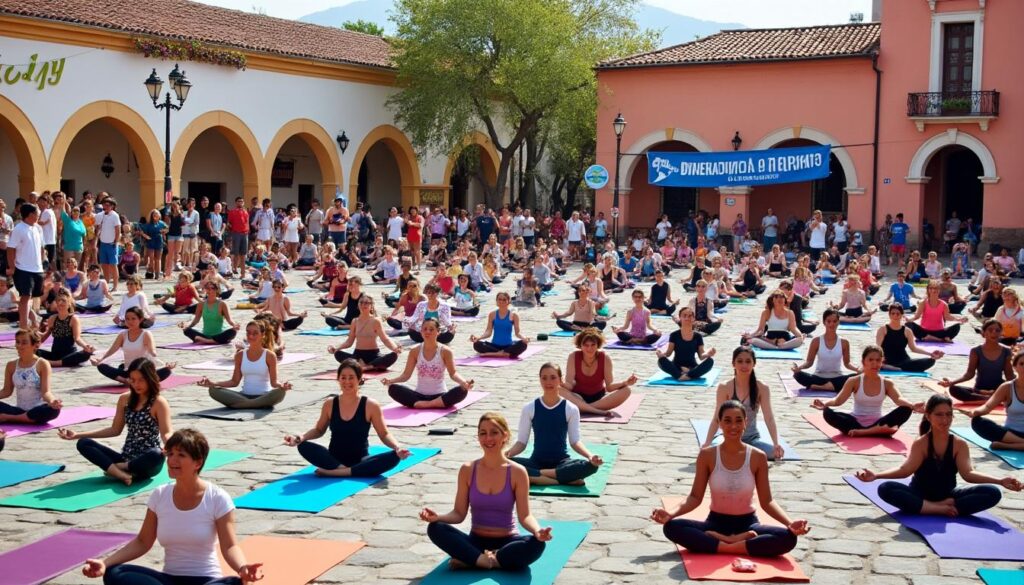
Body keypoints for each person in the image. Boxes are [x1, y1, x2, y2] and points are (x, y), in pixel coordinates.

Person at [81, 429, 261, 584]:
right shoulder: (160, 495)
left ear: (197, 463)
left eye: (181, 455)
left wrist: (242, 567)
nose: (172, 460)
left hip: (206, 580)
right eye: (171, 454)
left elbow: (229, 546)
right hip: (169, 580)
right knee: (116, 574)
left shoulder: (217, 498)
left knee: (236, 583)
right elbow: (143, 542)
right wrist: (105, 563)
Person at [652, 399, 809, 557]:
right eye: (727, 421)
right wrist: (670, 514)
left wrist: (789, 523)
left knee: (788, 538)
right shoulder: (708, 455)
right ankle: (737, 544)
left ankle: (721, 544)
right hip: (715, 524)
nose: (733, 426)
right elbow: (694, 497)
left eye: (738, 421)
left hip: (748, 524)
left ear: (745, 423)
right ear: (719, 423)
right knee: (671, 527)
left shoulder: (757, 457)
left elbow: (767, 501)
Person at [420, 412, 550, 571]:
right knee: (436, 528)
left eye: (494, 432)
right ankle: (485, 560)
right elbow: (459, 513)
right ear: (478, 437)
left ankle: (479, 560)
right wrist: (437, 517)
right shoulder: (468, 469)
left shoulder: (518, 472)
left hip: (507, 542)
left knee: (537, 544)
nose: (488, 438)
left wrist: (538, 531)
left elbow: (525, 516)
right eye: (483, 433)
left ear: (505, 436)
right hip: (475, 542)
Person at [856, 395, 1021, 516]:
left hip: (948, 496)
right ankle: (937, 508)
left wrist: (1000, 481)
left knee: (992, 492)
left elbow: (968, 474)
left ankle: (934, 507)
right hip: (920, 495)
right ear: (928, 416)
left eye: (948, 414)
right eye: (939, 414)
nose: (945, 419)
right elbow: (905, 470)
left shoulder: (959, 444)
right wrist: (876, 475)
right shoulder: (921, 443)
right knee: (886, 488)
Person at [284, 359, 410, 477]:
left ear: (360, 379)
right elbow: (318, 430)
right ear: (338, 379)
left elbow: (384, 434)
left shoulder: (370, 405)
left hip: (361, 460)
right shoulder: (330, 403)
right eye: (343, 378)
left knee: (394, 457)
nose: (347, 382)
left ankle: (335, 473)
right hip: (333, 459)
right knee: (303, 446)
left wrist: (397, 447)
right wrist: (300, 438)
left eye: (351, 378)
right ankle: (342, 469)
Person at [60, 358, 172, 485]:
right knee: (83, 443)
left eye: (141, 380)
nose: (136, 384)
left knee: (157, 454)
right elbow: (115, 430)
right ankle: (122, 474)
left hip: (146, 462)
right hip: (125, 456)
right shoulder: (124, 399)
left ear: (150, 378)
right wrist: (78, 435)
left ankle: (118, 468)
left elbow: (166, 433)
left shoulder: (158, 402)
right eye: (133, 380)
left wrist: (172, 445)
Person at [506, 363, 602, 486]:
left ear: (560, 380)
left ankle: (538, 476)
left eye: (553, 377)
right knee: (504, 466)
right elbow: (521, 443)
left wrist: (590, 456)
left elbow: (575, 441)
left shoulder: (571, 409)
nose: (548, 382)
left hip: (561, 463)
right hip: (536, 461)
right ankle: (560, 479)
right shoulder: (530, 408)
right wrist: (506, 455)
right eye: (544, 378)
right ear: (540, 380)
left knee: (591, 467)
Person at [811, 345, 922, 436]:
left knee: (906, 410)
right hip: (856, 421)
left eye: (878, 360)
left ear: (882, 362)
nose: (874, 363)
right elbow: (838, 400)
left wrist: (912, 405)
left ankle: (865, 432)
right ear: (864, 362)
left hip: (878, 421)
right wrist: (825, 404)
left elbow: (898, 399)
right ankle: (880, 431)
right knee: (828, 413)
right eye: (871, 360)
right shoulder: (854, 381)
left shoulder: (887, 383)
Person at [704, 347, 785, 460]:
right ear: (733, 364)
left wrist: (776, 443)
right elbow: (717, 418)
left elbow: (769, 418)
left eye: (748, 361)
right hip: (726, 437)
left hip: (751, 439)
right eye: (740, 361)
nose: (744, 365)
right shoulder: (725, 387)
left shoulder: (762, 388)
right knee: (713, 452)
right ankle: (740, 453)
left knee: (775, 454)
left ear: (754, 364)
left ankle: (741, 452)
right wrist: (707, 442)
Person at [197, 320, 293, 409]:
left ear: (263, 335)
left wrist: (282, 386)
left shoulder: (269, 355)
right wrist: (213, 383)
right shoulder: (240, 355)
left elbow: (274, 382)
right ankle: (251, 404)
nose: (251, 336)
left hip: (265, 396)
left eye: (255, 333)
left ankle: (243, 405)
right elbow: (234, 381)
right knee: (213, 390)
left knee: (280, 393)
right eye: (248, 333)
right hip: (243, 396)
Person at [382, 318, 473, 409]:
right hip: (419, 395)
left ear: (438, 332)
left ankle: (426, 404)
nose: (427, 332)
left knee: (462, 390)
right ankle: (431, 404)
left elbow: (453, 374)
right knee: (393, 389)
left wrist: (464, 382)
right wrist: (391, 381)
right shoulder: (415, 351)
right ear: (421, 332)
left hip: (440, 396)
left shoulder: (445, 351)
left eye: (431, 329)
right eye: (424, 329)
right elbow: (406, 375)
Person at [561, 328, 637, 416]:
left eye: (593, 345)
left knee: (626, 390)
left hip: (599, 399)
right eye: (586, 345)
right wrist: (561, 383)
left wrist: (626, 382)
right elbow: (569, 385)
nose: (589, 348)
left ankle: (583, 408)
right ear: (580, 346)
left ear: (598, 345)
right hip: (578, 397)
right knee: (558, 390)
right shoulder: (573, 357)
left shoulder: (605, 358)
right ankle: (594, 410)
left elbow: (609, 387)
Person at [960, 351, 1024, 452]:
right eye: (1022, 364)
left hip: (1008, 441)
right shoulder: (1007, 387)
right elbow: (988, 406)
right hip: (1009, 434)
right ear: (1015, 367)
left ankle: (1008, 446)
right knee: (977, 422)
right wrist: (976, 412)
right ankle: (1020, 443)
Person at [92, 307, 176, 383]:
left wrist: (162, 361)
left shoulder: (146, 334)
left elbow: (152, 351)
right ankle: (127, 381)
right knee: (101, 366)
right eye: (127, 319)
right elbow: (112, 349)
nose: (130, 321)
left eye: (133, 319)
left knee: (166, 371)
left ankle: (137, 381)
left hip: (144, 370)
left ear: (141, 319)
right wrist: (101, 359)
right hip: (129, 371)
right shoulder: (123, 334)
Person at [938, 320, 1013, 403]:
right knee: (954, 389)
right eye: (990, 330)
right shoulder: (976, 351)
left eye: (997, 330)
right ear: (983, 333)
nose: (994, 332)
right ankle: (990, 399)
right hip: (979, 390)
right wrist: (952, 382)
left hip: (998, 389)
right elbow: (970, 374)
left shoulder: (1006, 351)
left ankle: (992, 397)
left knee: (1013, 390)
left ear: (1001, 333)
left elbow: (1009, 375)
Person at [0, 329, 60, 425]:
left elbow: (46, 392)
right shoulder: (11, 365)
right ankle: (22, 418)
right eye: (18, 342)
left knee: (53, 410)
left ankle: (7, 417)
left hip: (37, 410)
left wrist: (53, 401)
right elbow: (6, 391)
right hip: (19, 410)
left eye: (24, 343)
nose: (19, 346)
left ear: (35, 345)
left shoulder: (42, 364)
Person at [790, 309, 859, 392]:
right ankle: (830, 387)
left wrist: (857, 370)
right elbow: (809, 362)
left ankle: (822, 387)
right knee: (797, 375)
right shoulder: (816, 341)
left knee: (858, 377)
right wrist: (800, 368)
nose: (831, 324)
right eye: (828, 321)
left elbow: (847, 363)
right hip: (818, 377)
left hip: (837, 377)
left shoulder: (844, 342)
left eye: (834, 321)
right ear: (824, 322)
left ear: (838, 322)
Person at [328, 296, 402, 370]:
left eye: (366, 303)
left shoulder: (375, 321)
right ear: (358, 305)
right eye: (361, 303)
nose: (363, 305)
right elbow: (349, 342)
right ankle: (363, 365)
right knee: (338, 354)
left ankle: (367, 367)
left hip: (373, 355)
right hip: (358, 355)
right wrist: (336, 348)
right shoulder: (355, 321)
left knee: (393, 355)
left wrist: (394, 348)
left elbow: (385, 339)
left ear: (371, 306)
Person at [6, 202, 45, 329]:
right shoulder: (19, 229)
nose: (39, 215)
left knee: (32, 297)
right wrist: (12, 267)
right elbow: (10, 248)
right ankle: (23, 326)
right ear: (30, 214)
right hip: (23, 268)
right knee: (25, 296)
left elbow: (40, 247)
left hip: (37, 268)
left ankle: (34, 320)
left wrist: (43, 261)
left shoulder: (38, 228)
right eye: (37, 213)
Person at [37, 288, 95, 367]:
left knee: (85, 354)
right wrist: (32, 342)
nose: (60, 303)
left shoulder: (74, 319)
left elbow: (77, 338)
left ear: (69, 303)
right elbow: (44, 337)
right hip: (54, 355)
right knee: (33, 352)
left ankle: (53, 363)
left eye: (63, 301)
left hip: (69, 355)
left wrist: (86, 346)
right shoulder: (52, 318)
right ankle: (54, 362)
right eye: (58, 301)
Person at [876, 304, 942, 372]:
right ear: (889, 315)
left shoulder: (907, 331)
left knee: (930, 361)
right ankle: (886, 366)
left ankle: (895, 368)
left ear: (902, 315)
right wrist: (881, 358)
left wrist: (930, 354)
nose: (895, 315)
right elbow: (878, 347)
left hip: (904, 361)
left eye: (898, 314)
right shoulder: (883, 329)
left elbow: (914, 348)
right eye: (892, 313)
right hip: (887, 360)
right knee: (876, 363)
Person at [657, 307, 716, 381]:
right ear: (680, 318)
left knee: (710, 361)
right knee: (661, 361)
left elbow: (701, 356)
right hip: (676, 366)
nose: (687, 318)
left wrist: (708, 353)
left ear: (693, 318)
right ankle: (682, 374)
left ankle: (686, 374)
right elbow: (668, 353)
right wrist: (661, 354)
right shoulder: (674, 335)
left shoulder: (698, 336)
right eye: (684, 316)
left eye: (690, 316)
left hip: (692, 366)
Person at [470, 292, 530, 358]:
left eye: (504, 300)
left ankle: (492, 354)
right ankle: (502, 353)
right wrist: (479, 338)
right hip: (494, 346)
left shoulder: (514, 315)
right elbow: (488, 332)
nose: (501, 301)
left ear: (508, 301)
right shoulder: (492, 315)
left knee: (523, 344)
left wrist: (524, 338)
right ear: (496, 301)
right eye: (499, 299)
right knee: (476, 344)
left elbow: (518, 333)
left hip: (508, 346)